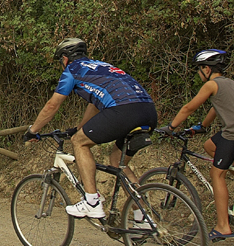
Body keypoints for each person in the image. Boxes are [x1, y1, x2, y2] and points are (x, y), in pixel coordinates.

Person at [24, 38, 157, 219]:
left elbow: (51, 106)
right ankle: (143, 218)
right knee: (118, 161)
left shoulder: (73, 70)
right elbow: (95, 103)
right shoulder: (102, 66)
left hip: (122, 110)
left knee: (79, 142)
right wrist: (80, 127)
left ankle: (92, 201)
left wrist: (33, 130)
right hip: (148, 111)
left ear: (65, 58)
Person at [159, 49, 234, 242]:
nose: (199, 73)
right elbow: (217, 106)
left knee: (217, 173)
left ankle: (223, 226)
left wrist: (171, 127)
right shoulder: (229, 83)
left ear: (206, 69)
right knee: (210, 146)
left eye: (200, 69)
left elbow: (189, 108)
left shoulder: (211, 85)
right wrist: (202, 127)